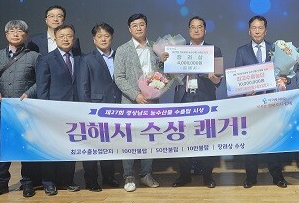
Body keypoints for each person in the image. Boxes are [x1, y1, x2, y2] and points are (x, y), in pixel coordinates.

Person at [0, 20, 40, 199]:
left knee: (27, 147)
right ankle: (1, 183)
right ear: (6, 34)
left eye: (20, 31)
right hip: (2, 110)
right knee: (3, 148)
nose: (15, 34)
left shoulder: (34, 56)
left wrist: (30, 93)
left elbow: (41, 80)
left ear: (26, 35)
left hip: (25, 110)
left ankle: (28, 183)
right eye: (12, 31)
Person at [235, 15, 288, 189]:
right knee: (251, 140)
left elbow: (284, 73)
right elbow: (237, 79)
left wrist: (285, 79)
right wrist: (244, 89)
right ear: (249, 31)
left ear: (266, 30)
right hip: (251, 103)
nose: (257, 31)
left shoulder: (276, 49)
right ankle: (251, 177)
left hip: (271, 102)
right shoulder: (241, 51)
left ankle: (277, 176)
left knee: (273, 139)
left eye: (260, 28)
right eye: (254, 28)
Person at [114, 13, 164, 192]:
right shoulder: (122, 50)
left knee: (149, 137)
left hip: (152, 101)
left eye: (141, 24)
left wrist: (158, 85)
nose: (138, 28)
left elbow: (163, 73)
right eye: (134, 25)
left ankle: (146, 174)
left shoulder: (156, 48)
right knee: (129, 139)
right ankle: (128, 175)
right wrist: (136, 95)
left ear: (146, 26)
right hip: (131, 102)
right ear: (129, 29)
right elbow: (119, 77)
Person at [171, 16, 222, 189]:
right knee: (183, 138)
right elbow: (170, 75)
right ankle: (184, 175)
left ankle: (207, 176)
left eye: (200, 27)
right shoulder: (178, 51)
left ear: (205, 30)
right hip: (184, 98)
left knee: (207, 138)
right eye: (193, 27)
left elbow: (218, 81)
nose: (196, 30)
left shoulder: (214, 50)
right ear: (188, 30)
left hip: (205, 98)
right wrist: (166, 60)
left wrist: (213, 77)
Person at [36, 24, 82, 196]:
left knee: (69, 147)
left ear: (74, 39)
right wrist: (45, 109)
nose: (66, 39)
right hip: (52, 112)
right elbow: (42, 88)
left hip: (74, 110)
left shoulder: (80, 58)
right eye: (62, 36)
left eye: (69, 36)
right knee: (51, 147)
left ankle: (67, 180)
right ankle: (48, 182)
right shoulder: (46, 59)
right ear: (55, 39)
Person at [77, 22, 122, 191]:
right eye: (99, 36)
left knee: (109, 144)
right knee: (92, 146)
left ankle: (109, 177)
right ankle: (91, 180)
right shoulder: (87, 59)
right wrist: (87, 110)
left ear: (112, 38)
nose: (103, 39)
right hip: (95, 108)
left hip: (117, 107)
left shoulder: (119, 56)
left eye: (107, 36)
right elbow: (83, 86)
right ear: (94, 39)